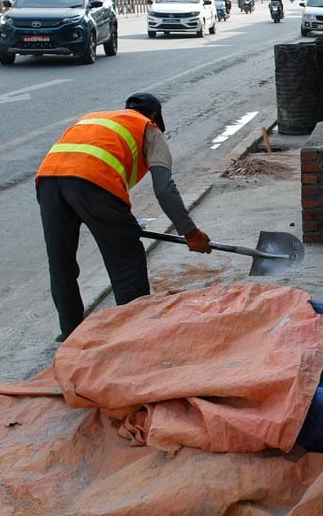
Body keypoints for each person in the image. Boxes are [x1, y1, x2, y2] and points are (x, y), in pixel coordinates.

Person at [35, 93, 212, 340]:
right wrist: (191, 233)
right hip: (94, 183)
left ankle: (71, 337)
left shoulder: (96, 119)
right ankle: (135, 336)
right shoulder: (148, 128)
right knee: (126, 260)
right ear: (154, 116)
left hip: (48, 182)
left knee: (61, 265)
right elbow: (164, 189)